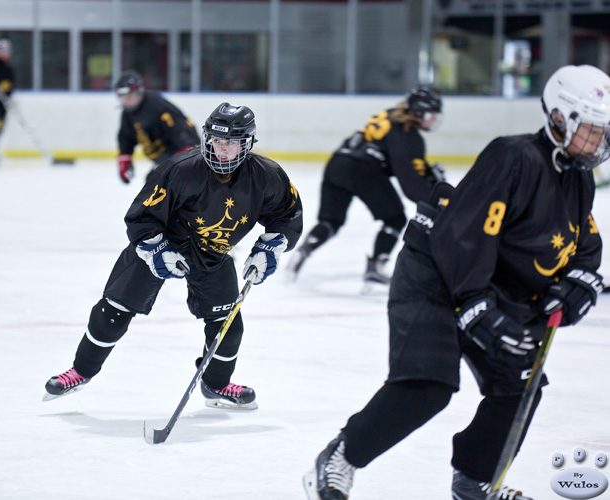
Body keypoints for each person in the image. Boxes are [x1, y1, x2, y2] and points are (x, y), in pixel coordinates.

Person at [303, 64, 608, 500]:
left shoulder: (578, 178)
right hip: (436, 273)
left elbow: (583, 241)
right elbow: (465, 234)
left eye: (603, 131)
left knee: (521, 386)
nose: (599, 141)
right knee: (429, 385)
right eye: (592, 130)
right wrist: (473, 304)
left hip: (489, 285)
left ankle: (473, 481)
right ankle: (342, 455)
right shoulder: (514, 157)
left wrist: (579, 281)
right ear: (560, 119)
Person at [44, 102, 303, 410]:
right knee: (113, 311)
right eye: (217, 141)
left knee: (228, 327)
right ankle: (80, 371)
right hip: (165, 240)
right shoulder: (180, 169)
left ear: (247, 144)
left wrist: (271, 247)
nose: (222, 150)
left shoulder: (267, 176)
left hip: (213, 252)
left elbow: (287, 214)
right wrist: (155, 250)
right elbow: (141, 216)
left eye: (231, 144)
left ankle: (216, 385)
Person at [287, 85, 444, 285]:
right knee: (395, 219)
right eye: (432, 114)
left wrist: (426, 173)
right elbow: (410, 182)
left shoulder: (389, 115)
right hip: (363, 170)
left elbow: (399, 162)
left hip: (337, 163)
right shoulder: (408, 134)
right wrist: (434, 196)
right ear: (419, 111)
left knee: (330, 221)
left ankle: (302, 253)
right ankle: (375, 267)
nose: (434, 119)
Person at [114, 70, 200, 184]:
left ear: (139, 91)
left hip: (181, 158)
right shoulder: (128, 113)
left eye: (130, 96)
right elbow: (126, 136)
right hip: (165, 160)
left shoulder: (157, 106)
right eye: (123, 97)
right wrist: (125, 158)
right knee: (152, 183)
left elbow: (180, 129)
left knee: (160, 185)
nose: (127, 101)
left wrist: (186, 156)